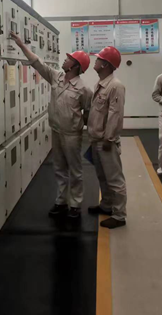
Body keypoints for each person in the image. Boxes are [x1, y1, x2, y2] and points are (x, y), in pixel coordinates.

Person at [10, 31, 92, 218]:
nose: (65, 60)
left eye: (69, 59)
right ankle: (61, 201)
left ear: (75, 66)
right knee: (59, 168)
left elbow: (88, 112)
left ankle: (75, 204)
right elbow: (38, 63)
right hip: (56, 130)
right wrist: (21, 45)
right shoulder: (56, 77)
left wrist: (84, 130)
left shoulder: (84, 89)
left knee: (75, 170)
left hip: (72, 134)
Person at [87, 46, 127, 229]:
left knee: (115, 179)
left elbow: (115, 115)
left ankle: (119, 215)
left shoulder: (115, 86)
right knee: (102, 176)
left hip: (105, 141)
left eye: (98, 59)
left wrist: (109, 139)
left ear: (105, 64)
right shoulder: (101, 83)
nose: (95, 61)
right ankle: (107, 205)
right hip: (96, 139)